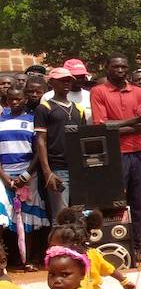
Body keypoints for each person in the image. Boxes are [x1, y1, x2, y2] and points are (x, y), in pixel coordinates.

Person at [89, 55, 141, 255]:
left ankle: (137, 247)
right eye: (116, 66)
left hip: (139, 152)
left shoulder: (139, 91)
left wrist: (117, 126)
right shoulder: (99, 91)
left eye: (124, 66)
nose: (120, 70)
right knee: (112, 201)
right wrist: (132, 122)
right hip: (113, 155)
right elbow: (100, 126)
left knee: (139, 201)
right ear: (107, 68)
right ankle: (109, 246)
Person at [33, 66, 87, 216]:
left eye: (69, 80)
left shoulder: (79, 109)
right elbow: (41, 141)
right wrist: (47, 172)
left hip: (77, 169)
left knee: (80, 214)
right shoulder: (44, 108)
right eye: (62, 81)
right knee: (61, 216)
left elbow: (82, 139)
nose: (66, 83)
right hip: (58, 169)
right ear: (51, 83)